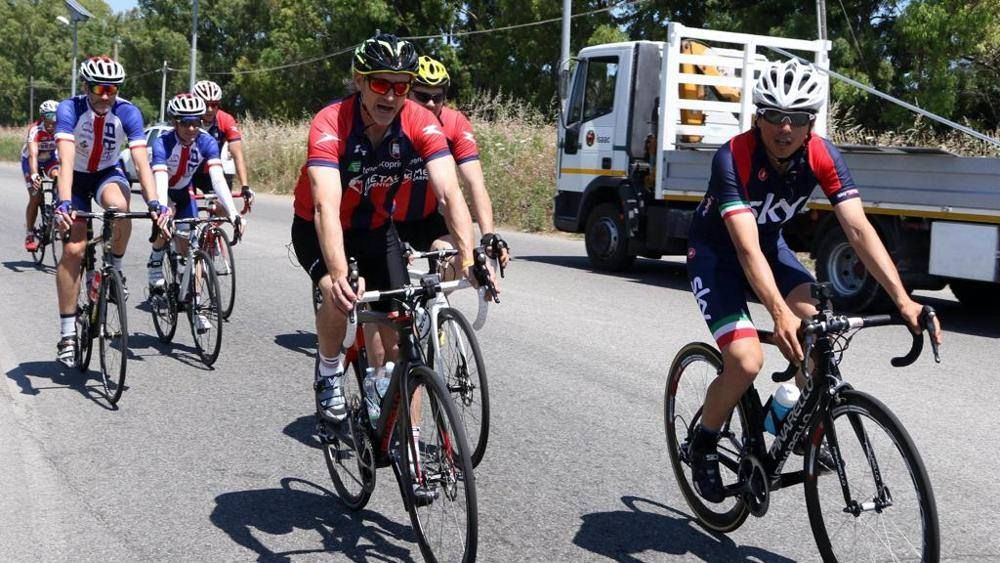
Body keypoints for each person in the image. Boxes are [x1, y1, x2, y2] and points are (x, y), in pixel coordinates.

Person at [683, 59, 943, 503]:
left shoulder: (822, 154)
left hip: (770, 250)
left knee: (822, 338)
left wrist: (904, 300)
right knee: (746, 362)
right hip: (716, 257)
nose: (785, 128)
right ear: (756, 118)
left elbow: (859, 230)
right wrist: (779, 314)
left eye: (798, 118)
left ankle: (781, 414)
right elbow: (744, 250)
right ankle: (704, 440)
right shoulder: (734, 156)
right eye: (774, 116)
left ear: (812, 123)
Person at [290, 33, 482, 424]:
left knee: (395, 325)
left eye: (401, 86)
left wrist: (468, 257)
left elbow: (449, 193)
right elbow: (326, 206)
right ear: (359, 80)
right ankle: (329, 371)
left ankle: (389, 405)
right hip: (320, 228)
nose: (391, 96)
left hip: (377, 227)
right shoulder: (331, 123)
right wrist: (340, 275)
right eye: (380, 83)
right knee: (337, 296)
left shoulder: (419, 121)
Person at [52, 56, 164, 367]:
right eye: (100, 88)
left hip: (105, 173)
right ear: (86, 86)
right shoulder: (69, 109)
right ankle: (67, 334)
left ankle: (114, 267)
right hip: (74, 178)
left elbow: (141, 160)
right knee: (74, 249)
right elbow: (66, 159)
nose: (105, 96)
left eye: (112, 90)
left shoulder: (127, 111)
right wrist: (63, 202)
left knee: (121, 208)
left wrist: (155, 203)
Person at [396, 55, 510, 273]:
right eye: (422, 96)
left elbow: (474, 183)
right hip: (385, 219)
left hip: (427, 217)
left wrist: (488, 235)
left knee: (456, 264)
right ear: (407, 93)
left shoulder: (455, 123)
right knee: (385, 293)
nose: (430, 103)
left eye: (437, 97)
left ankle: (437, 306)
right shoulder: (391, 123)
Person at [147, 93, 244, 331]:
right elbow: (159, 180)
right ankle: (156, 260)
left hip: (184, 190)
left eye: (196, 122)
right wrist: (161, 209)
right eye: (185, 122)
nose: (191, 128)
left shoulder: (206, 141)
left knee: (192, 248)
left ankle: (197, 305)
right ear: (174, 122)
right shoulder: (163, 143)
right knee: (166, 220)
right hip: (163, 190)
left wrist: (233, 213)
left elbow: (218, 180)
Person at [191, 80, 251, 199]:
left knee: (223, 208)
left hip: (212, 171)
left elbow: (237, 154)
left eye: (214, 105)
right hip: (187, 173)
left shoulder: (225, 119)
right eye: (205, 104)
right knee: (187, 210)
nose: (209, 109)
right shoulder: (188, 121)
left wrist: (245, 186)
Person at [21, 100, 61, 252]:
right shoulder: (35, 130)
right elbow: (32, 155)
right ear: (43, 118)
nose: (53, 123)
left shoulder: (60, 129)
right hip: (31, 161)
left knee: (59, 177)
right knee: (36, 197)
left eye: (56, 119)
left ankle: (57, 211)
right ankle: (30, 233)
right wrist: (34, 174)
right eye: (49, 119)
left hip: (50, 159)